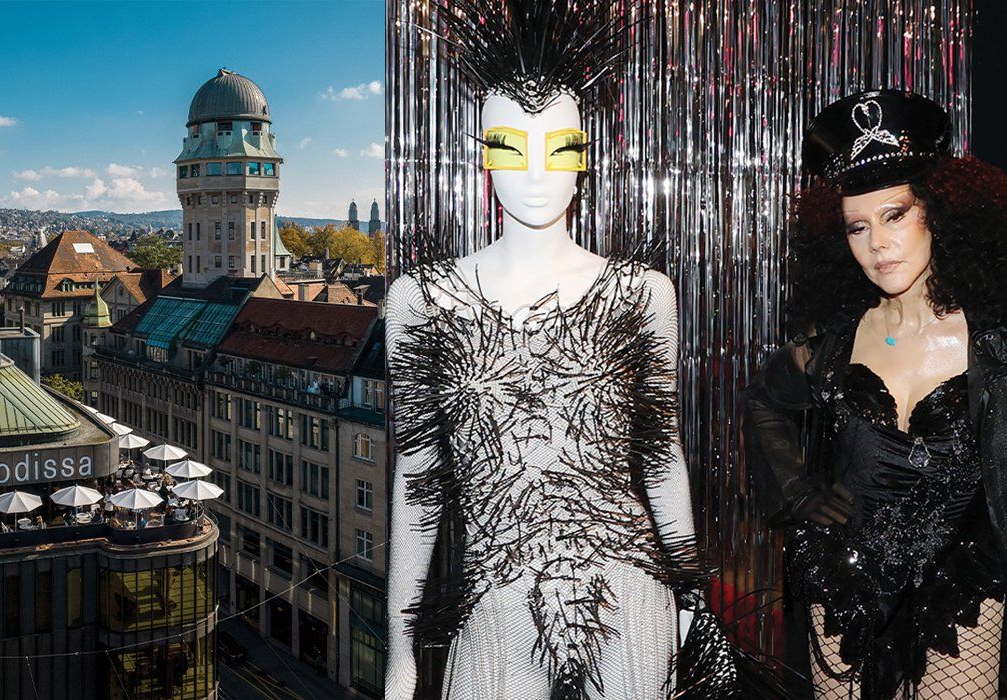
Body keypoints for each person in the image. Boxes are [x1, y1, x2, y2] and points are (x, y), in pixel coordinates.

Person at [384, 2, 709, 698]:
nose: (535, 173)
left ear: (584, 156)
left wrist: (690, 595)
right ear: (482, 157)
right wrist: (399, 646)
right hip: (493, 602)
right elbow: (418, 483)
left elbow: (659, 458)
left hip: (631, 590)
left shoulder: (642, 293)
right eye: (509, 146)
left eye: (558, 147)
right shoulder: (421, 298)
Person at [744, 89, 1007, 698]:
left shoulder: (992, 348)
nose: (877, 244)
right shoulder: (834, 344)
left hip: (964, 578)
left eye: (895, 215)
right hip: (843, 572)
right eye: (857, 226)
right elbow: (765, 401)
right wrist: (798, 490)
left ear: (936, 212)